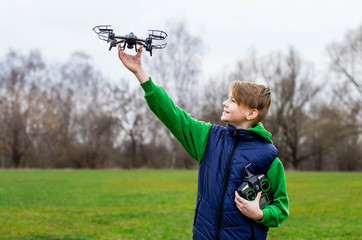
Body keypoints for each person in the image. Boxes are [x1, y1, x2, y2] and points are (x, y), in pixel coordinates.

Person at [117, 45, 289, 240]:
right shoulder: (209, 138)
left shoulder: (269, 156)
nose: (225, 103)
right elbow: (173, 116)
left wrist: (260, 214)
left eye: (233, 100)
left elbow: (281, 208)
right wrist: (140, 73)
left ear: (251, 113)